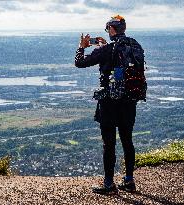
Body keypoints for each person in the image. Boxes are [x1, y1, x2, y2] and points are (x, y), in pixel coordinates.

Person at [75, 15, 142, 195]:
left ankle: (109, 184)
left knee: (109, 144)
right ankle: (129, 180)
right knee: (128, 141)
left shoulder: (107, 49)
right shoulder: (134, 45)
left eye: (108, 29)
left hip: (109, 102)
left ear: (111, 30)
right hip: (129, 100)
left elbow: (79, 63)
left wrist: (82, 47)